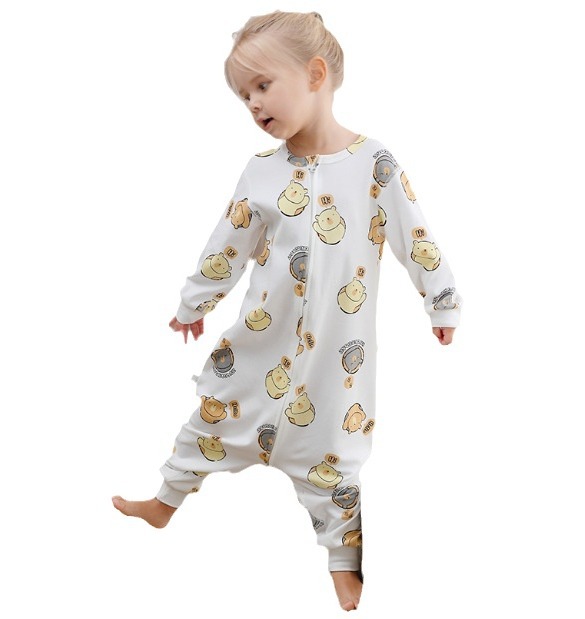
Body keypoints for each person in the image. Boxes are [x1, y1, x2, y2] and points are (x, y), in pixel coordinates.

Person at [112, 10, 462, 611]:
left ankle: (344, 566)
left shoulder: (374, 165)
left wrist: (442, 300)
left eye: (262, 85)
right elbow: (228, 242)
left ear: (315, 75)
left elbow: (416, 236)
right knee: (211, 419)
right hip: (259, 345)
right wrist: (194, 302)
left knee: (335, 457)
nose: (252, 103)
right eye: (243, 94)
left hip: (336, 361)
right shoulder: (262, 172)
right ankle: (164, 503)